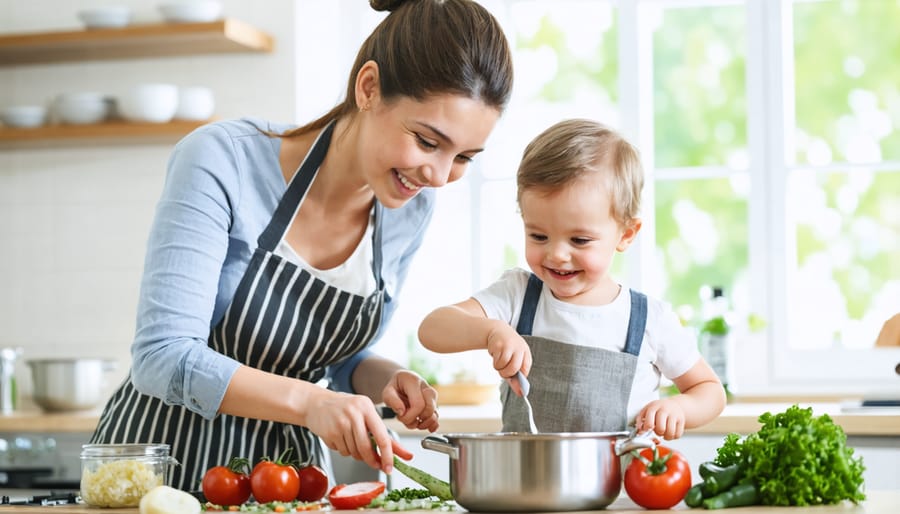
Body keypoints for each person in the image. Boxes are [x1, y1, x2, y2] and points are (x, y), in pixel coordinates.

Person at [90, 0, 513, 490]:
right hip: (160, 477)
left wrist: (385, 379)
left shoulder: (409, 208)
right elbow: (162, 357)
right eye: (425, 141)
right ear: (369, 87)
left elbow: (331, 358)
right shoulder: (224, 162)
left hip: (291, 485)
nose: (439, 176)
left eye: (463, 157)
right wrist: (311, 403)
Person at [418, 119, 725, 439]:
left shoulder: (649, 319)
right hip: (525, 485)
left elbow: (709, 391)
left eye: (579, 240)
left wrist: (678, 408)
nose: (556, 255)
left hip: (622, 486)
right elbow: (433, 329)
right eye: (538, 236)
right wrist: (491, 331)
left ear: (626, 233)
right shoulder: (519, 295)